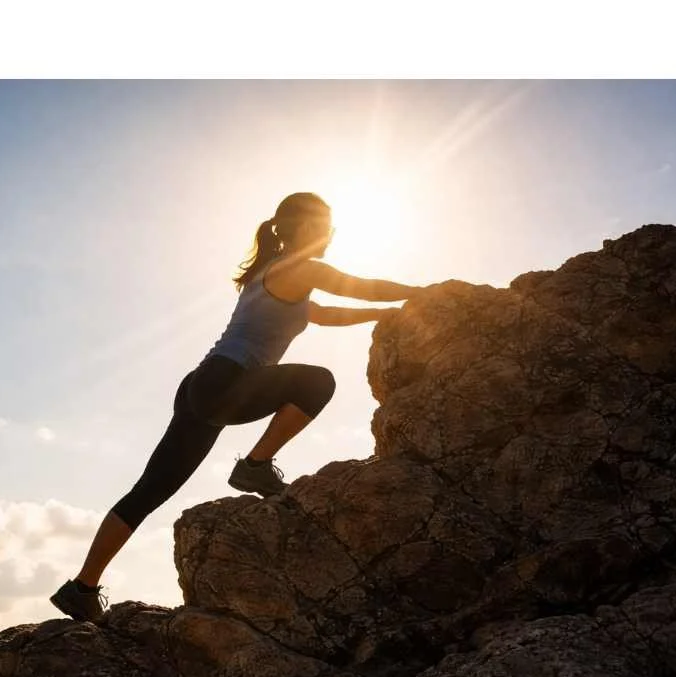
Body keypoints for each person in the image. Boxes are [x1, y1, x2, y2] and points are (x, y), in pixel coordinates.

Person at [49, 191, 427, 623]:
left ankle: (81, 587)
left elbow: (324, 313)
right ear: (302, 229)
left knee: (149, 491)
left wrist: (384, 316)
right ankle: (255, 465)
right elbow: (356, 287)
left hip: (202, 386)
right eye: (323, 225)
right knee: (317, 382)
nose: (329, 234)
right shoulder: (300, 268)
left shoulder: (277, 274)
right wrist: (423, 294)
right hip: (226, 382)